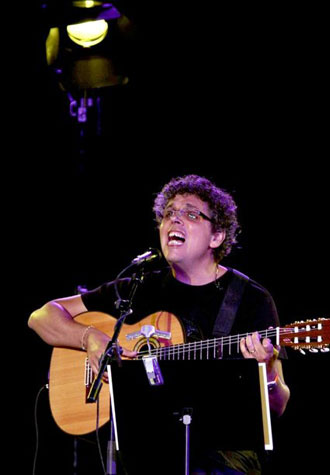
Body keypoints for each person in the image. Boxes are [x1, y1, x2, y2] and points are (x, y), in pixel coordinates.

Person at [28, 174, 290, 474]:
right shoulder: (140, 288)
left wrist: (267, 371)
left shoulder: (249, 299)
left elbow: (279, 404)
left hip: (221, 453)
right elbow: (42, 316)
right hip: (146, 446)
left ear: (216, 237)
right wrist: (90, 338)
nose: (174, 220)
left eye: (190, 214)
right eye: (168, 214)